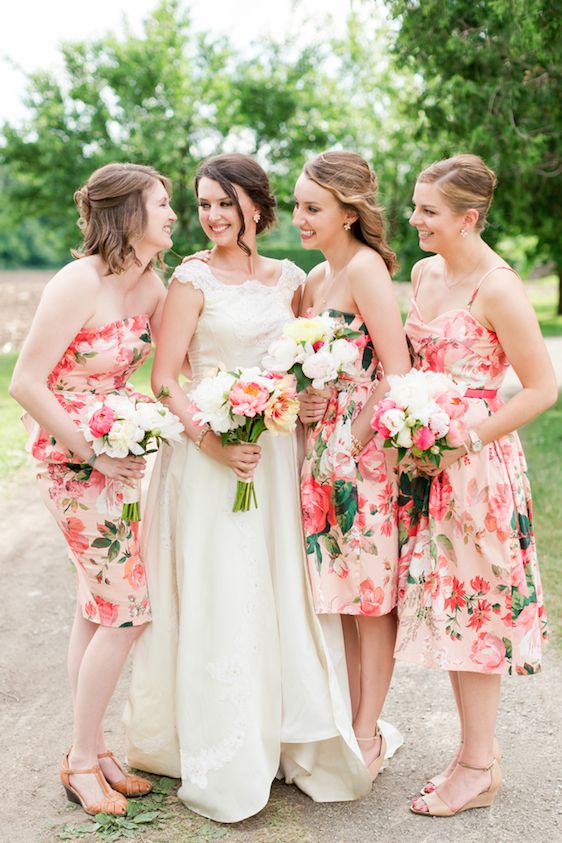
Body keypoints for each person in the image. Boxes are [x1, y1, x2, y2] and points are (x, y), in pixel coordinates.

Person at [123, 153, 373, 823]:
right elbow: (166, 377)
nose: (212, 217)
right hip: (211, 458)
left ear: (255, 206)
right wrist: (212, 439)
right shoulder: (190, 278)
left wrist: (310, 399)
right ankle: (223, 748)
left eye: (224, 204)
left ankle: (287, 734)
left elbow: (300, 360)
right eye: (202, 205)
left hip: (274, 450)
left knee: (276, 586)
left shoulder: (292, 279)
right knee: (221, 590)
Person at [9, 162, 176, 816]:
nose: (171, 213)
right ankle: (82, 760)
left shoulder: (151, 282)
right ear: (127, 214)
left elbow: (181, 357)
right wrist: (92, 453)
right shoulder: (79, 282)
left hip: (119, 454)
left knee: (96, 606)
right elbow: (26, 381)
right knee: (129, 609)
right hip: (72, 460)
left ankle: (95, 748)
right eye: (161, 203)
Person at [396, 153, 556, 816]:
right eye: (415, 205)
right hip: (424, 470)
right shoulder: (423, 272)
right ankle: (472, 758)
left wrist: (466, 436)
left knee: (479, 615)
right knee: (453, 616)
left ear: (469, 218)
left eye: (428, 211)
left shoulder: (497, 287)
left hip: (477, 470)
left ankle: (478, 763)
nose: (415, 220)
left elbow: (545, 387)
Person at [293, 150, 411, 779]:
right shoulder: (313, 281)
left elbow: (397, 372)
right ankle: (345, 713)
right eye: (297, 205)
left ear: (348, 212)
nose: (300, 217)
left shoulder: (367, 270)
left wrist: (351, 440)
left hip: (361, 457)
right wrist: (311, 406)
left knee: (371, 596)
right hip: (319, 450)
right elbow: (308, 371)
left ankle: (367, 730)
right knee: (337, 593)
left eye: (313, 208)